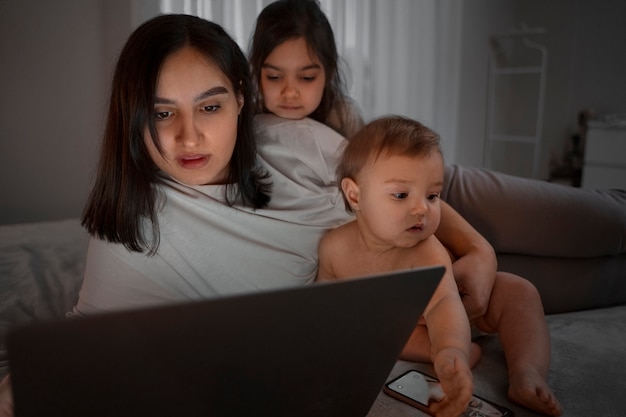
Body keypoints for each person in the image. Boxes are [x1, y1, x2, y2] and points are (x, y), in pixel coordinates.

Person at [0, 13, 506, 417]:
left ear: (242, 99)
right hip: (390, 261)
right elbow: (88, 339)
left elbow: (396, 180)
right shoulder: (132, 228)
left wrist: (478, 247)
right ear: (133, 117)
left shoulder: (291, 138)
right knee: (548, 285)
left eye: (211, 107)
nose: (189, 136)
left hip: (426, 204)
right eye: (162, 112)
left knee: (573, 226)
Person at [318, 116, 562, 417]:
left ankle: (526, 372)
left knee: (518, 292)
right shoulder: (334, 247)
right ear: (355, 195)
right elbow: (327, 304)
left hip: (465, 307)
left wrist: (452, 348)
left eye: (432, 195)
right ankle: (438, 354)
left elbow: (445, 305)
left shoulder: (426, 250)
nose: (422, 208)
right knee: (384, 336)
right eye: (401, 195)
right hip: (400, 325)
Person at [248, 0, 364, 138]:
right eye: (274, 77)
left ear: (329, 73)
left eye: (306, 78)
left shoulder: (344, 119)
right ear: (258, 72)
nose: (290, 93)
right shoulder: (247, 119)